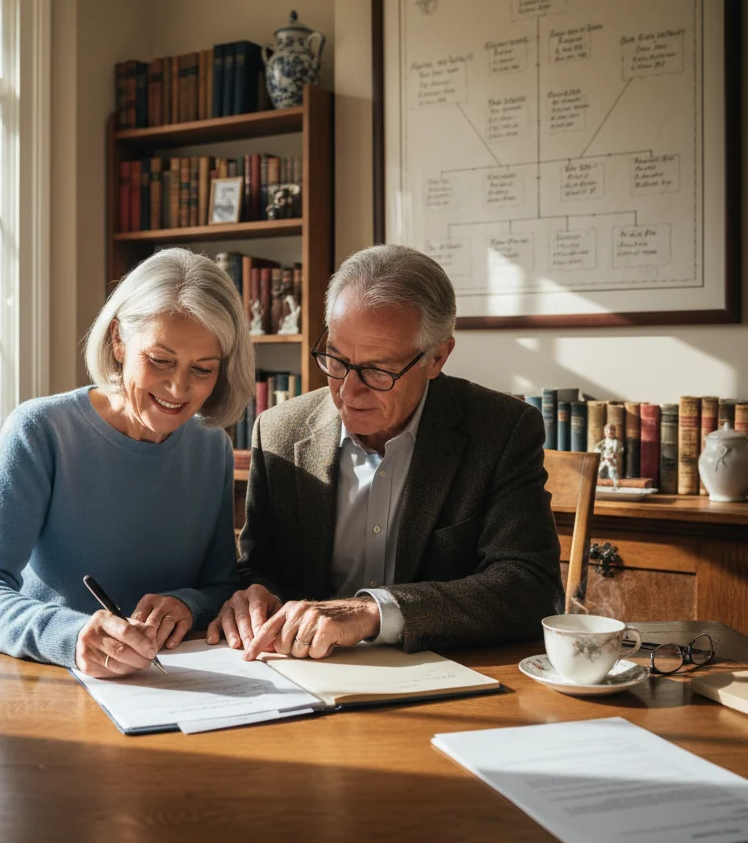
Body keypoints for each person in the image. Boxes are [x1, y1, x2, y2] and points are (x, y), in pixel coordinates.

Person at [208, 244, 561, 661]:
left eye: (378, 371)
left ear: (437, 358)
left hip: (446, 674)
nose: (348, 391)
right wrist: (254, 596)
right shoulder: (280, 431)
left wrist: (374, 611)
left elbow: (530, 587)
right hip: (307, 673)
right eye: (336, 360)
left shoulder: (501, 430)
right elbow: (261, 568)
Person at [0, 248, 255, 677]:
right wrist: (71, 637)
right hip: (47, 682)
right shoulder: (40, 431)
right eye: (160, 360)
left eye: (202, 369)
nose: (178, 387)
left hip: (171, 684)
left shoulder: (211, 448)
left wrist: (187, 604)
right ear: (117, 340)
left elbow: (220, 586)